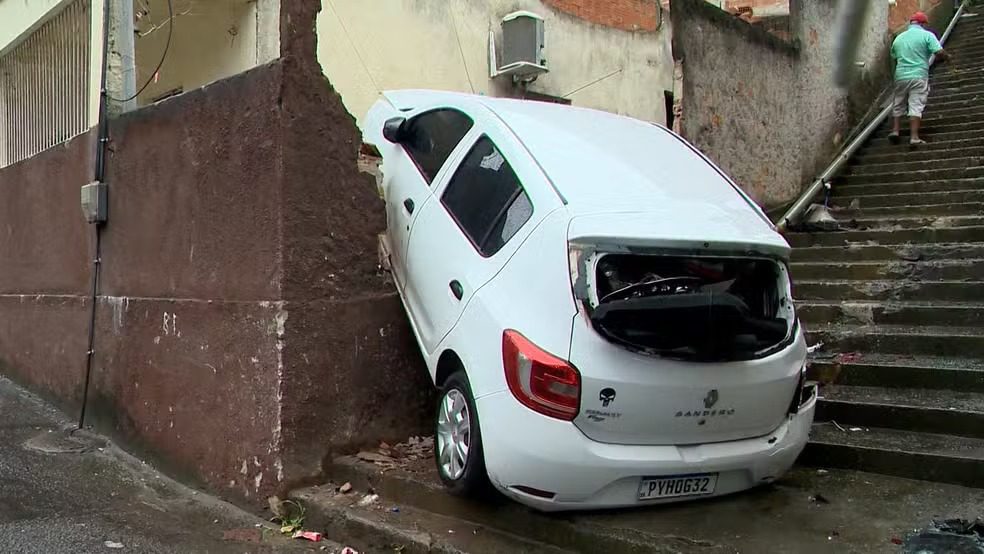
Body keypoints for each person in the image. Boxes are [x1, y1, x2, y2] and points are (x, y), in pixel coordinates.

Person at [889, 11, 949, 145]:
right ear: (922, 24)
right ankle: (914, 137)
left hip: (900, 75)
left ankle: (895, 131)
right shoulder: (927, 35)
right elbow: (939, 51)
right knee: (916, 104)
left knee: (898, 102)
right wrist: (946, 57)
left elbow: (894, 57)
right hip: (918, 75)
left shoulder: (899, 38)